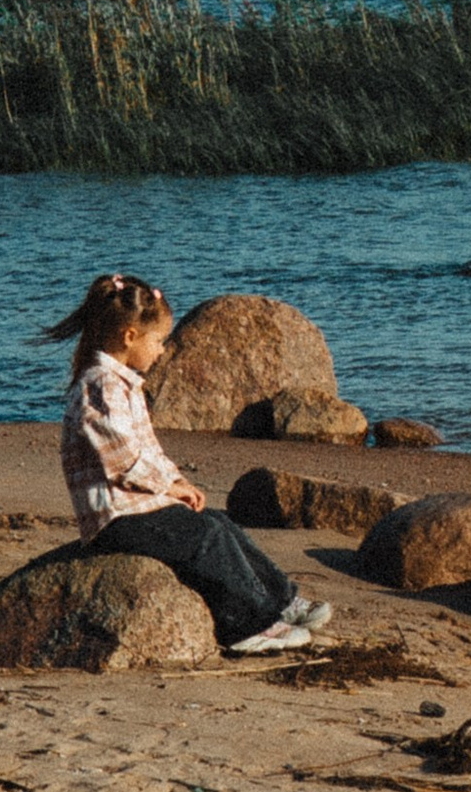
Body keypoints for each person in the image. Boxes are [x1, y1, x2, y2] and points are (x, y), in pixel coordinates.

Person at [48, 273, 331, 658]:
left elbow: (149, 448)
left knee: (219, 523)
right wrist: (170, 487)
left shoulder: (123, 383)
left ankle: (280, 599)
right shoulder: (99, 385)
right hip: (114, 517)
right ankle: (248, 624)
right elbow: (123, 460)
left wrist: (177, 479)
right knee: (203, 540)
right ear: (130, 336)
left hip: (140, 505)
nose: (162, 351)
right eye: (158, 341)